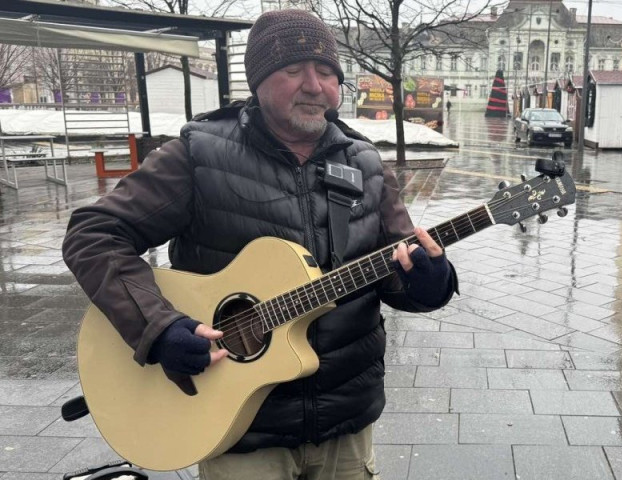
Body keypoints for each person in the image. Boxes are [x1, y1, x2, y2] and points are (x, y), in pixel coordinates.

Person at [61, 9, 457, 480]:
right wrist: (160, 326)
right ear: (259, 81)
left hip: (345, 421)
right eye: (294, 70)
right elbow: (94, 233)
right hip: (237, 426)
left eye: (327, 72)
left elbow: (394, 270)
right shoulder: (198, 154)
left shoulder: (366, 162)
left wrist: (429, 282)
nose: (314, 85)